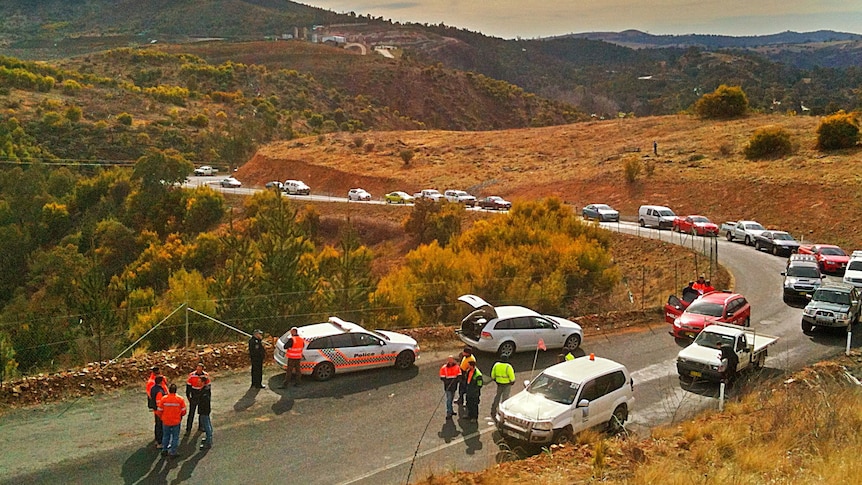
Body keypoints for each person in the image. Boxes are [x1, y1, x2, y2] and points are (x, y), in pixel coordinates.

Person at [157, 383, 187, 458]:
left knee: (165, 436)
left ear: (169, 390)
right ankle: (173, 452)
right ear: (176, 390)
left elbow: (159, 411)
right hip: (176, 421)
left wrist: (162, 417)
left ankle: (164, 450)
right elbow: (184, 411)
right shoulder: (180, 399)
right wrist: (180, 416)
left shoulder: (164, 399)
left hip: (166, 421)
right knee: (175, 437)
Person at [185, 362, 210, 435]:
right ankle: (188, 428)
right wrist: (188, 397)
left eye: (200, 369)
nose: (198, 370)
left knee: (201, 412)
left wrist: (207, 398)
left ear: (202, 369)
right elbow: (188, 387)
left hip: (202, 395)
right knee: (191, 413)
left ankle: (201, 426)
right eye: (197, 368)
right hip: (194, 395)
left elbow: (208, 387)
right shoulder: (191, 375)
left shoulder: (206, 375)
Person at [489, 355, 515, 420]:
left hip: (499, 383)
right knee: (505, 397)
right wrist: (512, 381)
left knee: (498, 395)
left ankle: (494, 408)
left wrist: (496, 379)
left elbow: (492, 375)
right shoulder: (508, 367)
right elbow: (512, 377)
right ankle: (503, 412)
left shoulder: (496, 365)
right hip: (507, 384)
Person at [148, 375, 167, 448]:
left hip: (155, 411)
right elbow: (159, 402)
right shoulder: (159, 391)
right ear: (161, 381)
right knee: (160, 426)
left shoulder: (153, 388)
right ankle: (160, 442)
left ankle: (157, 440)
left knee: (157, 425)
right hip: (159, 412)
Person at [198, 371, 214, 450]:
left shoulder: (205, 392)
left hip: (204, 410)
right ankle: (209, 438)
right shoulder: (205, 389)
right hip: (204, 410)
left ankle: (208, 441)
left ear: (203, 382)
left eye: (200, 381)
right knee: (207, 424)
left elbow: (204, 401)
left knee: (206, 425)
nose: (198, 382)